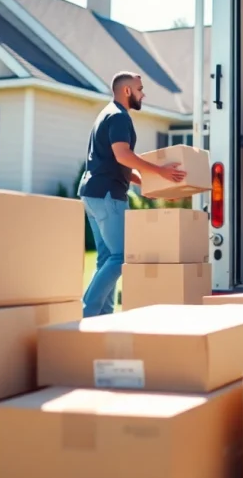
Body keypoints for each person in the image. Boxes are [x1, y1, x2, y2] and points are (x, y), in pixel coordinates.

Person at [78, 71, 187, 317]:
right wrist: (161, 172)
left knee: (106, 258)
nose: (143, 94)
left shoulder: (106, 114)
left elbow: (118, 164)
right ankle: (87, 311)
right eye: (140, 89)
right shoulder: (118, 117)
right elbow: (123, 156)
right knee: (122, 256)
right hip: (107, 195)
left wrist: (150, 186)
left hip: (93, 194)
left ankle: (102, 318)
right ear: (127, 91)